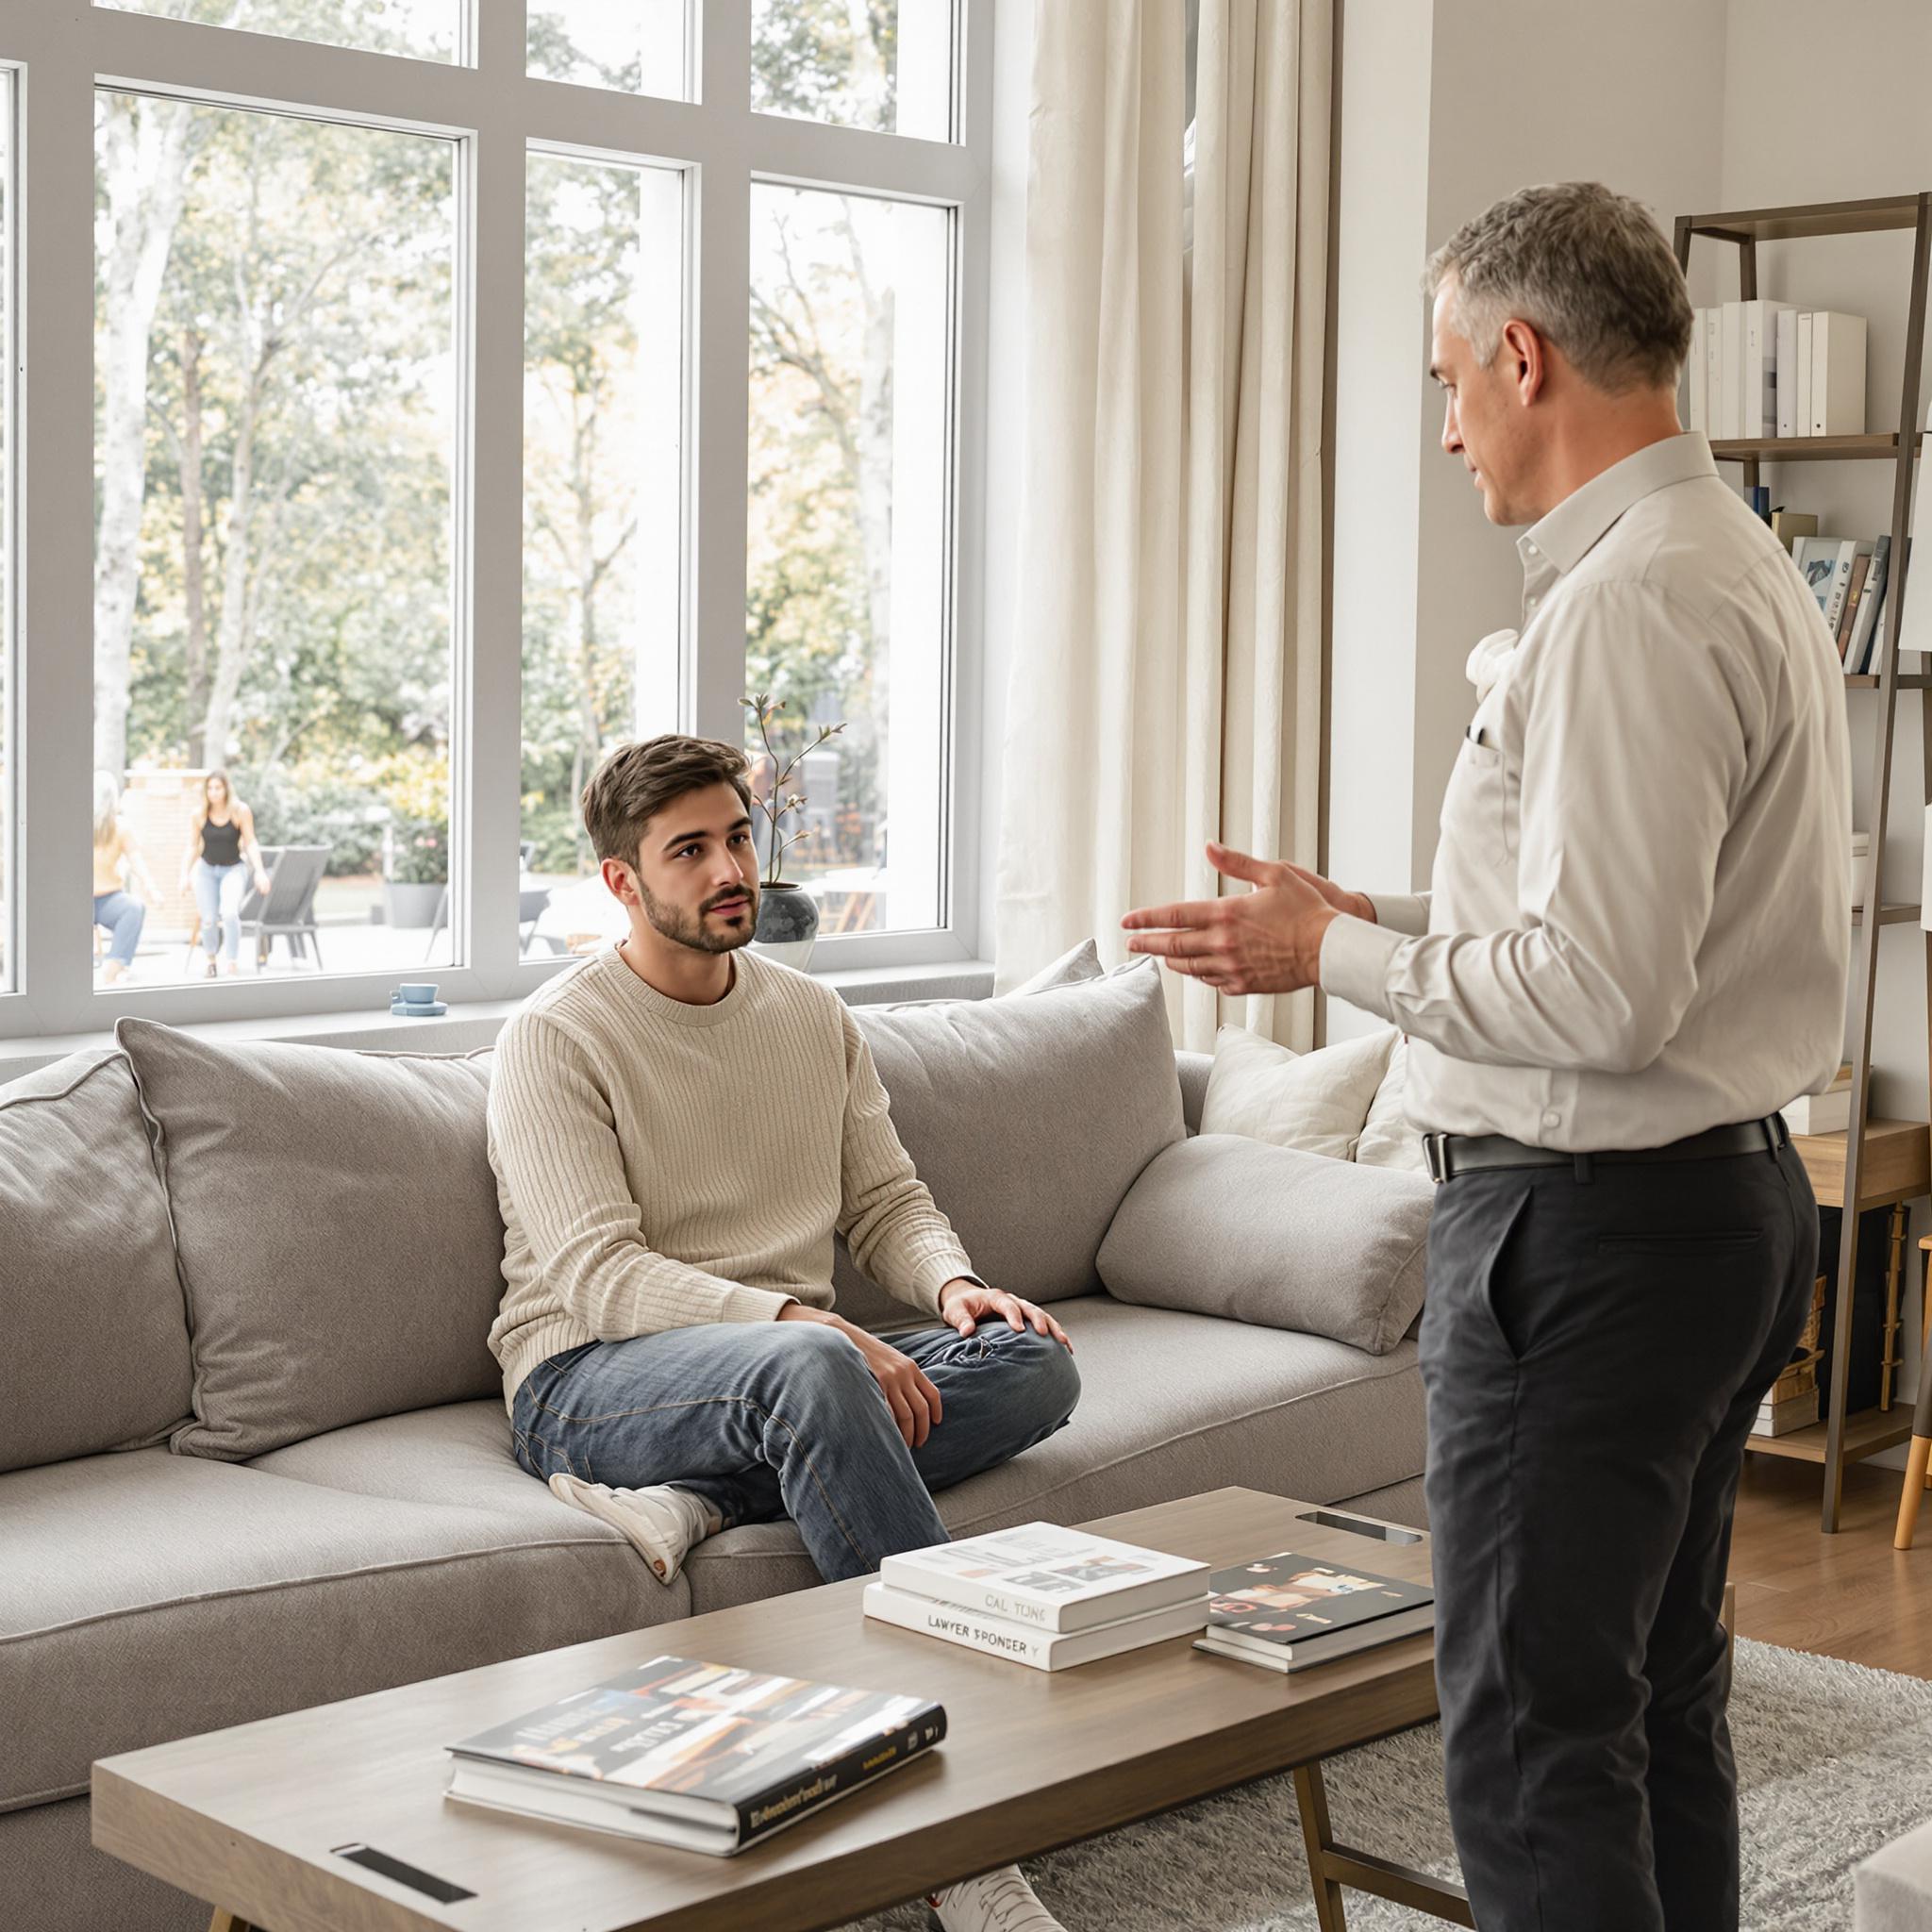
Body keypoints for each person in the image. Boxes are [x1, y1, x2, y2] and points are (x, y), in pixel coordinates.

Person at [1121, 181, 1847, 1932]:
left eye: (1446, 378)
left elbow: (1597, 990)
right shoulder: (1724, 557)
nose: (1446, 427)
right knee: (1645, 1700)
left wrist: (1330, 953)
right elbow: (1606, 910)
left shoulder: (1623, 605)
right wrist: (1358, 906)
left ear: (1521, 356)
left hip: (1589, 1241)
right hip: (1711, 1209)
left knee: (1529, 1735)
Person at [488, 733, 1083, 1932]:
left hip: (785, 1372)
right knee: (813, 1367)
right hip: (589, 1376)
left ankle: (716, 1493)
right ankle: (954, 1841)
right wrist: (796, 1322)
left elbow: (884, 1201)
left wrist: (954, 1285)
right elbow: (599, 1278)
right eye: (691, 849)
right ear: (622, 881)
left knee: (1031, 1357)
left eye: (740, 836)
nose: (730, 868)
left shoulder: (811, 1015)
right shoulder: (555, 1037)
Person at [178, 771, 272, 978]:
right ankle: (211, 960)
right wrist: (184, 874)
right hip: (206, 870)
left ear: (226, 789)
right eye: (209, 788)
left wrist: (259, 871)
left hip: (233, 869)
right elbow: (193, 846)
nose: (213, 792)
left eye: (217, 788)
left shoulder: (240, 811)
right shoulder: (199, 814)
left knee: (229, 913)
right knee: (209, 919)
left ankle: (231, 961)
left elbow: (250, 842)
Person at [92, 772, 158, 985]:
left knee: (134, 907)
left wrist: (151, 887)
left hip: (108, 899)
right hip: (78, 900)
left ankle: (113, 968)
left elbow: (136, 860)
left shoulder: (121, 827)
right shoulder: (76, 825)